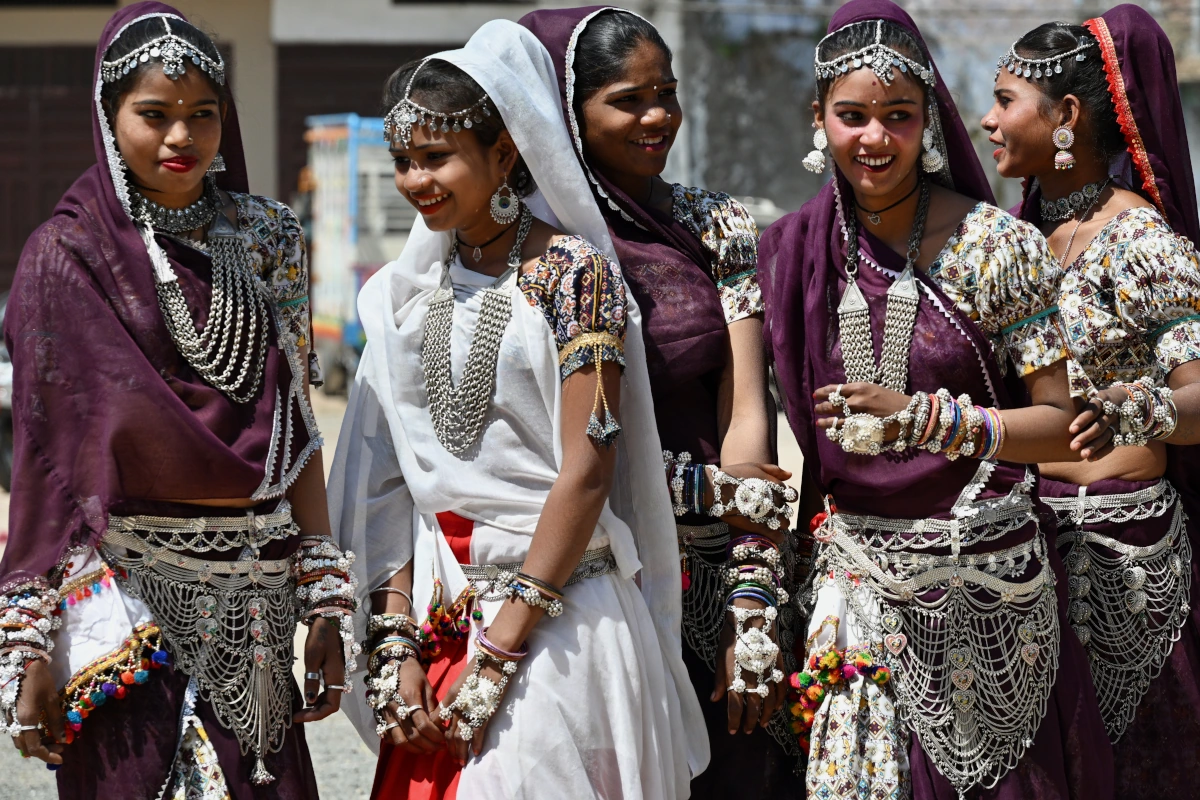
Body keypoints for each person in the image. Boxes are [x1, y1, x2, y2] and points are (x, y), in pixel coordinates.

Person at [325, 20, 708, 800]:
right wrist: (394, 641)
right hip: (444, 617)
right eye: (403, 161)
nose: (416, 180)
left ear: (503, 154)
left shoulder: (573, 276)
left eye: (437, 157)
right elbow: (389, 485)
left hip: (563, 626)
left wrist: (500, 653)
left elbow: (587, 472)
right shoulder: (401, 299)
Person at [758, 1, 1114, 797]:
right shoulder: (787, 252)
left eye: (899, 115)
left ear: (930, 120)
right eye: (852, 116)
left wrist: (928, 420)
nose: (875, 138)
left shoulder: (996, 248)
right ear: (818, 118)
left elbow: (1061, 426)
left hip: (987, 595)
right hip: (858, 593)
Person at [0, 3, 351, 796]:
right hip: (123, 608)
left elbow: (296, 426)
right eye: (154, 115)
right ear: (108, 116)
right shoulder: (68, 253)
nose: (181, 137)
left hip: (259, 605)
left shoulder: (267, 236)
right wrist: (27, 646)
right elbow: (47, 468)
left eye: (203, 113)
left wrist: (325, 598)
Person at [519, 7, 804, 793]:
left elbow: (746, 415)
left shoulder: (716, 225)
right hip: (583, 580)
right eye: (628, 100)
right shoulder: (530, 245)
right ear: (566, 113)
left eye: (666, 93)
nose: (657, 118)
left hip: (710, 577)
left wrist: (752, 600)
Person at [983, 6, 1200, 795]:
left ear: (1066, 116)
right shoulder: (1009, 241)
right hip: (1026, 558)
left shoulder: (1139, 241)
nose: (987, 120)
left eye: (1005, 101)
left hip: (1129, 568)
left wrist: (1128, 409)